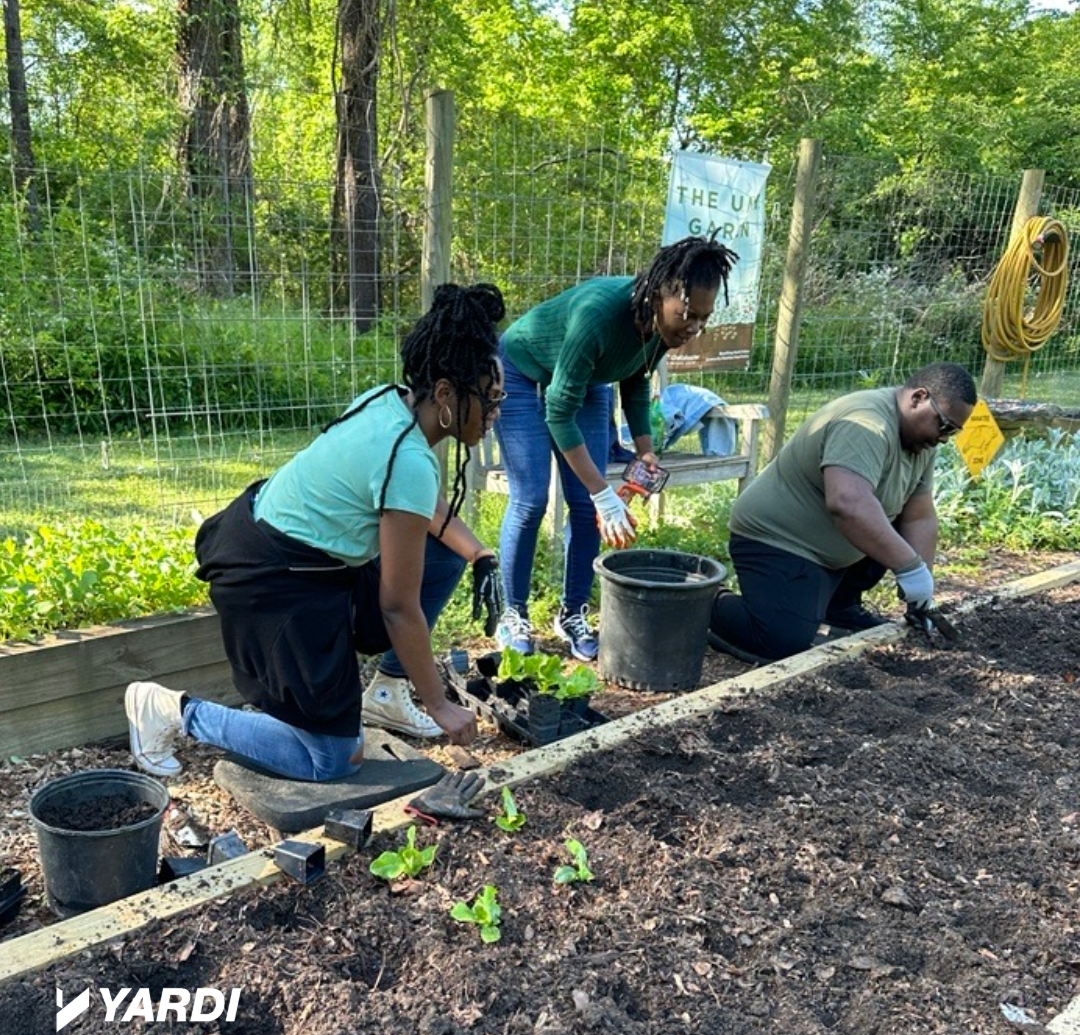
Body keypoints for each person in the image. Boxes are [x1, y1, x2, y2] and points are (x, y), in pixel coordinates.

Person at [124, 282, 508, 782]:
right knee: (331, 759)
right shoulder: (410, 459)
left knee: (444, 554)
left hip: (287, 554)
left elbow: (414, 505)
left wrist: (478, 552)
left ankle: (380, 692)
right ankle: (170, 710)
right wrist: (438, 703)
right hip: (271, 581)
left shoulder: (390, 402)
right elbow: (397, 606)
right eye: (490, 397)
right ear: (445, 395)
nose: (497, 413)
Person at [493, 234, 739, 661]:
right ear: (661, 293)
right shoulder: (598, 315)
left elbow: (637, 380)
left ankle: (571, 613)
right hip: (522, 371)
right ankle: (512, 613)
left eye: (703, 318)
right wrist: (604, 493)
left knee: (586, 508)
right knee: (531, 498)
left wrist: (645, 450)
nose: (694, 329)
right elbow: (557, 412)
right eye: (687, 314)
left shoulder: (664, 327)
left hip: (585, 381)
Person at [708, 362, 977, 663]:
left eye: (953, 432)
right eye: (943, 426)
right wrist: (909, 568)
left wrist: (921, 585)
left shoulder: (920, 442)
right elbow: (847, 504)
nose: (943, 438)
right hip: (781, 540)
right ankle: (700, 601)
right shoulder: (865, 423)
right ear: (918, 398)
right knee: (779, 641)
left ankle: (840, 608)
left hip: (831, 549)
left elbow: (919, 515)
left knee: (889, 526)